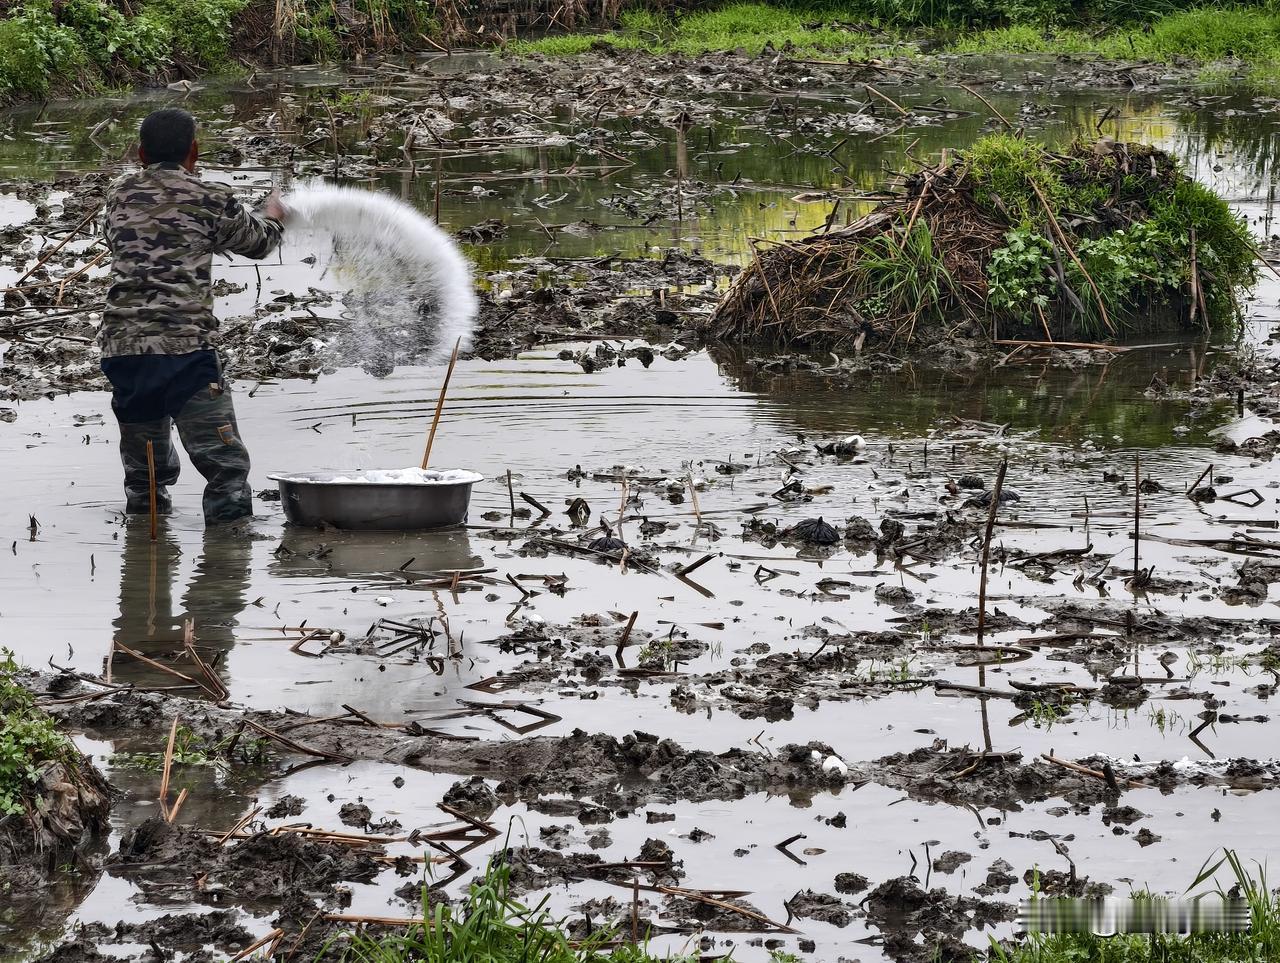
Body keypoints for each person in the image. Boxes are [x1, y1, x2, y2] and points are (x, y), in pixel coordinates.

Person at [100, 107, 287, 524]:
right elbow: (259, 244)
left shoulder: (118, 194)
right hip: (185, 348)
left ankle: (145, 548)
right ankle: (227, 555)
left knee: (145, 476)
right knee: (226, 469)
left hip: (123, 349)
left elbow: (124, 240)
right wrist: (274, 215)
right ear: (194, 152)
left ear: (140, 154)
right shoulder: (211, 197)